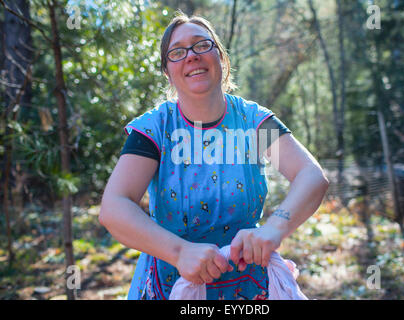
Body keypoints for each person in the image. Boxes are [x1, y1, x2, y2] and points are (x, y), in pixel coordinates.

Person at [99, 11, 329, 300]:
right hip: (173, 283)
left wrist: (274, 228)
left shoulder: (254, 122)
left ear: (221, 58)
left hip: (249, 286)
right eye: (177, 52)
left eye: (201, 45)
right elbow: (114, 206)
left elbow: (311, 176)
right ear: (168, 73)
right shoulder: (155, 128)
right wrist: (180, 252)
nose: (191, 56)